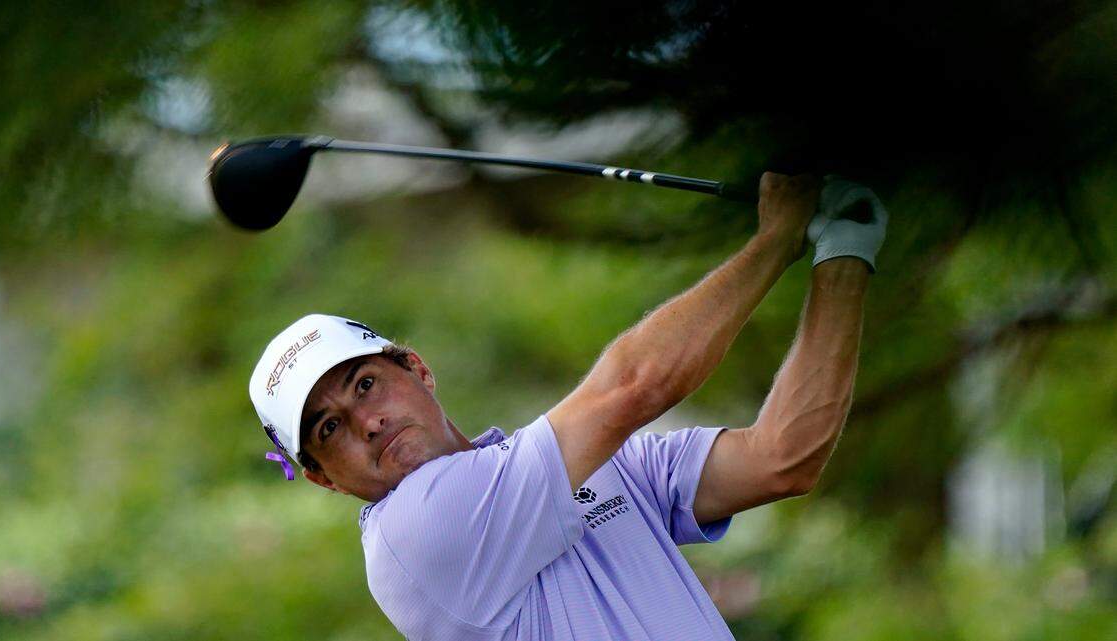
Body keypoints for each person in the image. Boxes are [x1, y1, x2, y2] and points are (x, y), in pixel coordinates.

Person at [247, 172, 888, 640]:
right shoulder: (413, 530)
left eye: (365, 384)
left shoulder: (572, 464)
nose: (367, 421)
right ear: (322, 476)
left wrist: (843, 252)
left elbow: (783, 457)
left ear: (416, 367)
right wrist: (777, 235)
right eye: (329, 428)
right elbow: (635, 387)